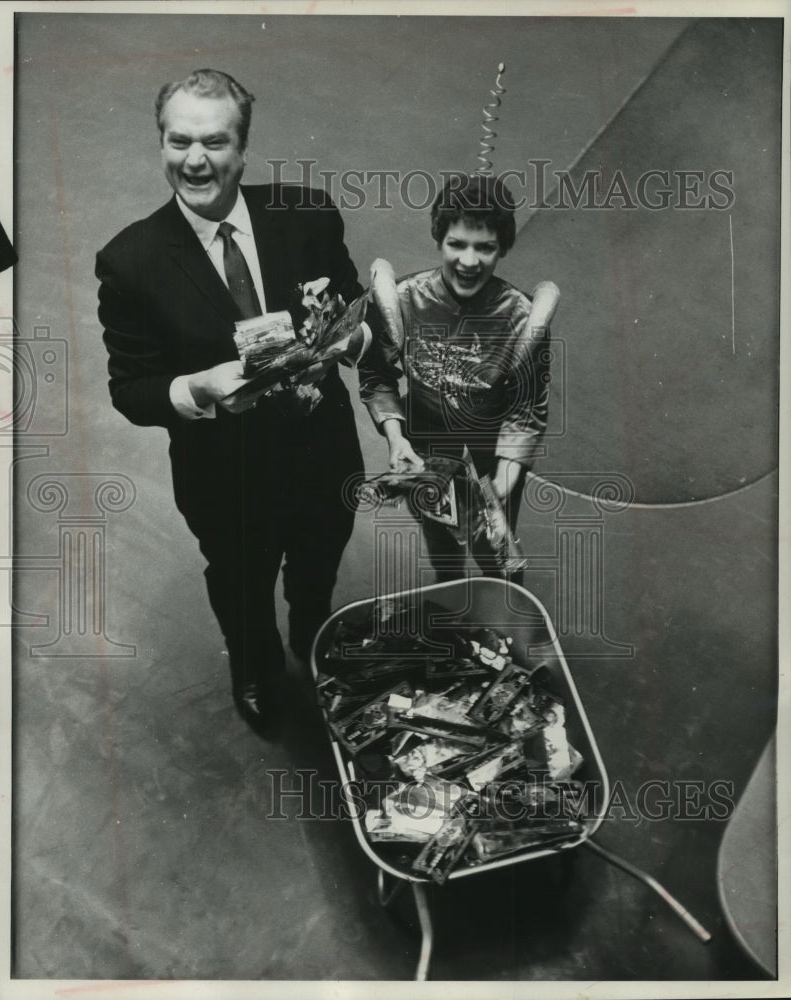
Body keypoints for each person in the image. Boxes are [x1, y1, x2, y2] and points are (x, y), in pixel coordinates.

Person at [96, 69, 364, 734]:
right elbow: (130, 389)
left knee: (318, 559)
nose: (195, 160)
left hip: (322, 454)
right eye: (178, 141)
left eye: (215, 142)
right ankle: (256, 666)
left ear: (243, 148)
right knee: (241, 583)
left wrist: (350, 339)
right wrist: (198, 388)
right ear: (159, 143)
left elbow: (354, 308)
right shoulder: (129, 262)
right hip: (225, 473)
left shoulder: (308, 215)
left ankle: (311, 636)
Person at [359, 172, 558, 584]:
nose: (470, 261)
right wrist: (397, 440)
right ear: (439, 240)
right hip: (423, 444)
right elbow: (377, 376)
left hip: (490, 452)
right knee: (442, 545)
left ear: (502, 248)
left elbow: (527, 409)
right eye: (457, 244)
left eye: (485, 248)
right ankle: (451, 613)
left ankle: (501, 624)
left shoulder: (522, 318)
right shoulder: (404, 300)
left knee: (498, 555)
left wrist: (503, 481)